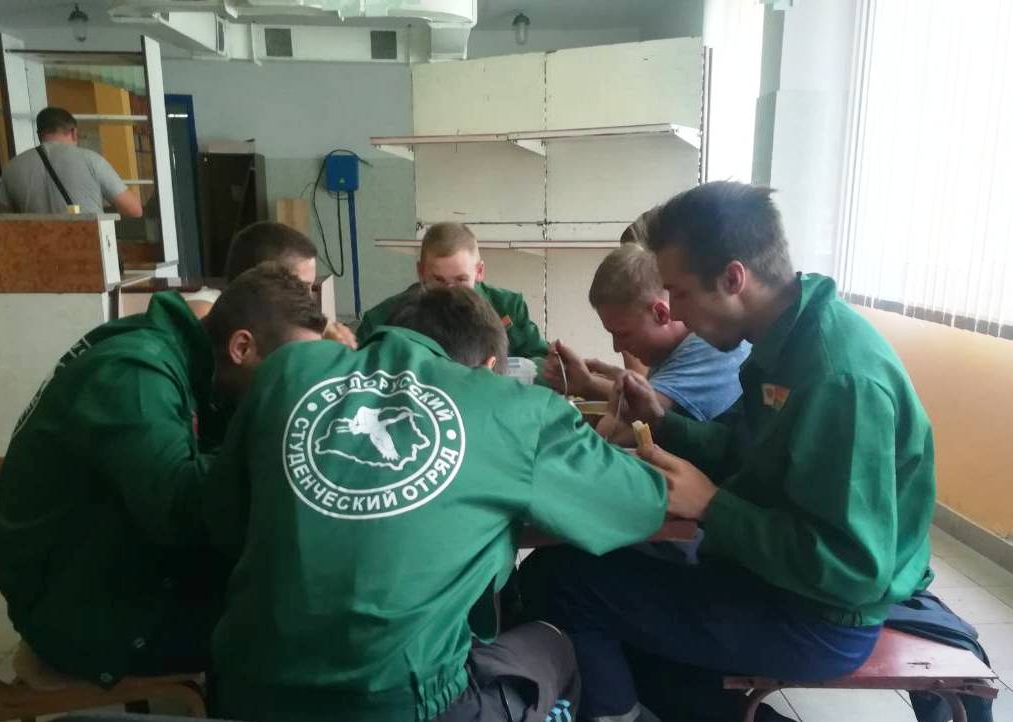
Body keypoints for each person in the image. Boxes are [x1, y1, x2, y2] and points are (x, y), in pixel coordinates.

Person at [526, 182, 936, 722]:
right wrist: (664, 423)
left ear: (733, 279)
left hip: (820, 618)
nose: (673, 310)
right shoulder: (783, 342)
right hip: (769, 577)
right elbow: (750, 452)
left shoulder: (837, 379)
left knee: (564, 586)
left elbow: (852, 569)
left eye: (679, 292)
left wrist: (711, 505)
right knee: (567, 571)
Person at [201, 286, 670, 722]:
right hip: (406, 704)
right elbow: (640, 503)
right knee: (556, 648)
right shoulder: (512, 406)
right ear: (488, 366)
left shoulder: (286, 370)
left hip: (244, 691)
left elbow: (223, 523)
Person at [0, 264, 325, 687]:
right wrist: (280, 444)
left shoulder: (183, 356)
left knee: (289, 583)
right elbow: (179, 511)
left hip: (104, 558)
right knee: (298, 622)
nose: (293, 387)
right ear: (241, 346)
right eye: (288, 371)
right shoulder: (131, 373)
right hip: (81, 612)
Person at [543, 243, 748, 434]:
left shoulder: (708, 347)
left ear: (661, 314)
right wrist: (608, 377)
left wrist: (588, 384)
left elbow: (627, 427)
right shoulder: (670, 352)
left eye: (623, 334)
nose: (617, 347)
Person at [356, 222, 548, 362]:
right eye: (438, 281)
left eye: (461, 280)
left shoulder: (508, 308)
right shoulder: (382, 318)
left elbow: (540, 362)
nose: (450, 292)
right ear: (421, 272)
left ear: (479, 272)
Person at [186, 221, 356, 348]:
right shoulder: (205, 314)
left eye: (311, 288)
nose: (309, 300)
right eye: (301, 288)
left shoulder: (263, 317)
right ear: (262, 281)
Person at [0, 107, 142, 218]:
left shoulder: (13, 167)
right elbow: (133, 210)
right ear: (73, 132)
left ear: (39, 135)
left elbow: (2, 218)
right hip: (87, 243)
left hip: (38, 246)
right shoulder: (90, 160)